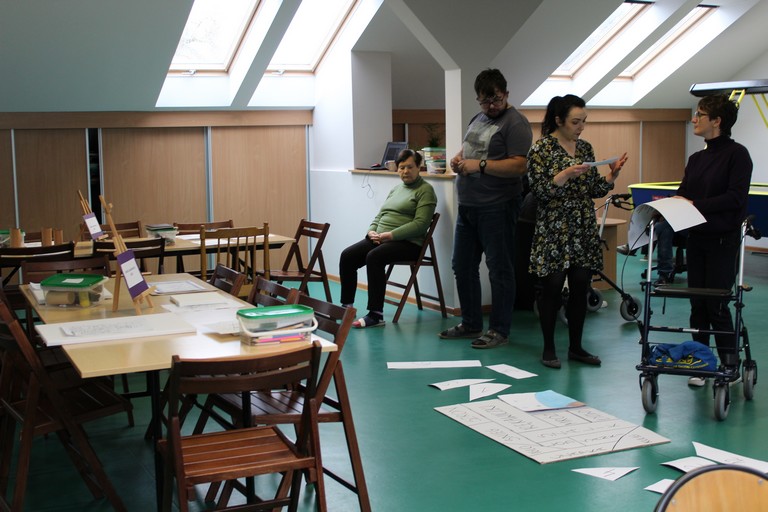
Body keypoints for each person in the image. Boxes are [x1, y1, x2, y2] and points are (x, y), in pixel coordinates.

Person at [527, 94, 628, 369]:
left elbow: (593, 189)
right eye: (575, 122)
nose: (581, 127)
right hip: (554, 228)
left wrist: (612, 176)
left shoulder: (584, 148)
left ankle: (576, 347)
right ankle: (549, 348)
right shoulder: (541, 150)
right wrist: (565, 175)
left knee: (581, 285)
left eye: (584, 121)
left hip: (582, 226)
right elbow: (539, 191)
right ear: (559, 120)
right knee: (551, 288)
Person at [440, 68, 532, 349]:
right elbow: (469, 149)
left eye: (496, 99)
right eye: (485, 101)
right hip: (468, 206)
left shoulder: (516, 123)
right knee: (462, 265)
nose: (491, 106)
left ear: (506, 94)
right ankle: (471, 323)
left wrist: (479, 165)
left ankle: (499, 330)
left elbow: (519, 165)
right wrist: (458, 159)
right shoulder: (477, 119)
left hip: (498, 206)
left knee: (499, 269)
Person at [674, 94, 752, 386]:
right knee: (698, 305)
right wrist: (672, 204)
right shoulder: (696, 159)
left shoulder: (738, 155)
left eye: (700, 115)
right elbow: (684, 192)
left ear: (717, 121)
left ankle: (730, 366)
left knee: (717, 305)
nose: (694, 119)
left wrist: (696, 204)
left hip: (722, 240)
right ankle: (701, 363)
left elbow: (735, 198)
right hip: (697, 239)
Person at [339, 149, 437, 328]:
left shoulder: (426, 191)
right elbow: (380, 215)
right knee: (348, 256)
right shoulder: (396, 189)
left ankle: (375, 315)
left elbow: (421, 225)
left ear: (419, 167)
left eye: (410, 167)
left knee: (374, 257)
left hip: (409, 243)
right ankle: (347, 307)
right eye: (401, 167)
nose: (405, 171)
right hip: (382, 239)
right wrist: (371, 231)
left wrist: (390, 235)